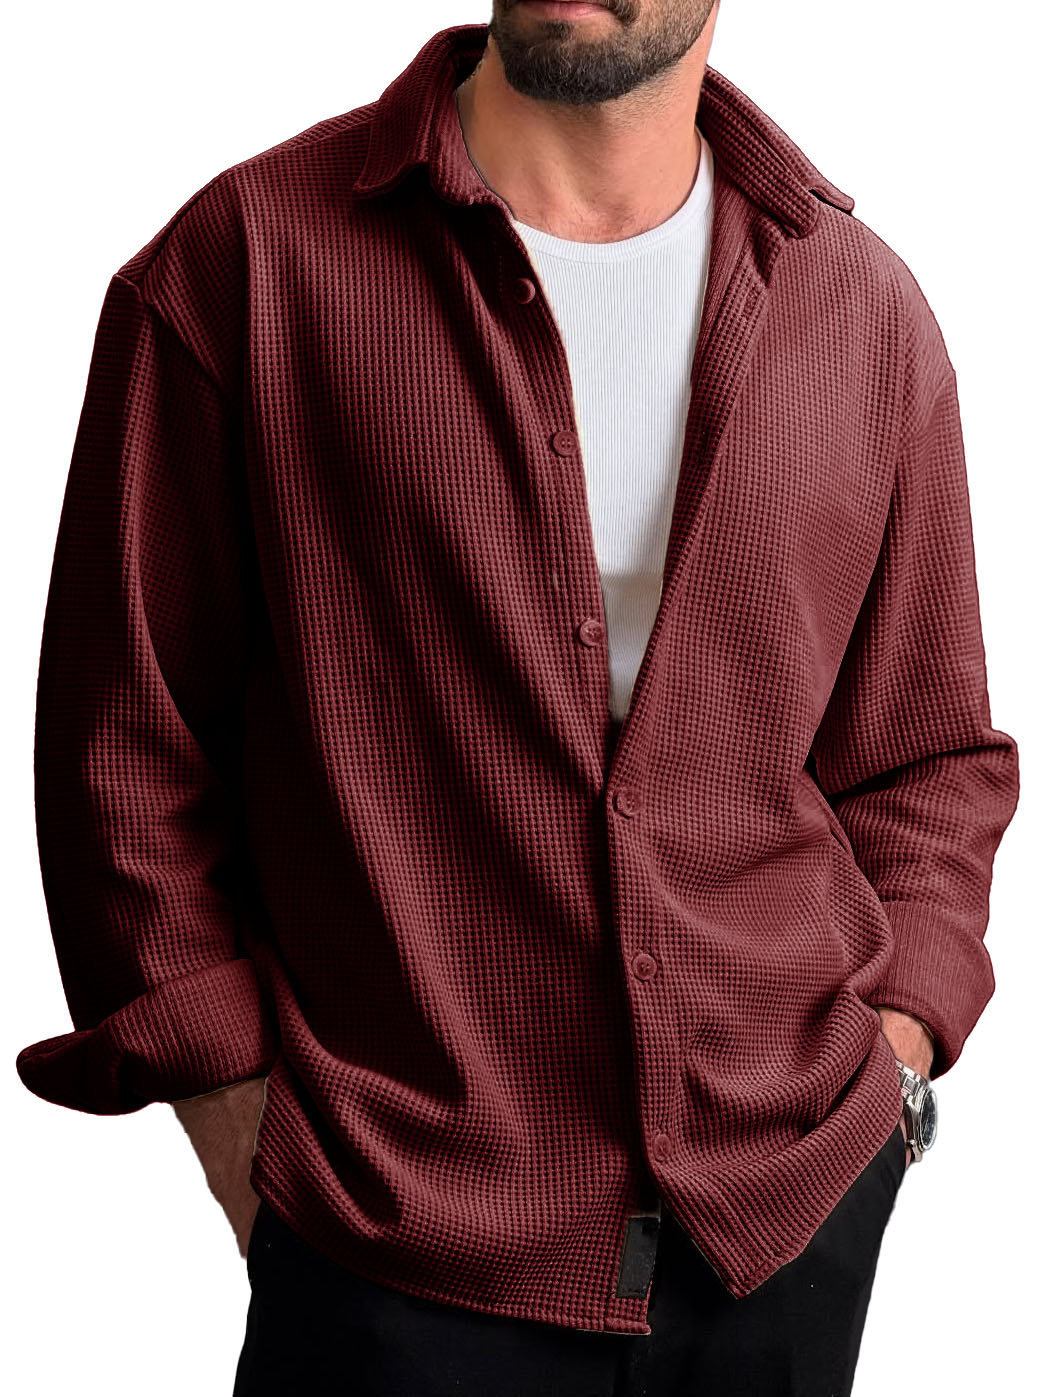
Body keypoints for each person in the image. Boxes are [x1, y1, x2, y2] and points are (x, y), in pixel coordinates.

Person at [16, 5, 1020, 1394]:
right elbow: (123, 738)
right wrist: (245, 1130)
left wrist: (893, 1060)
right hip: (389, 1241)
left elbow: (926, 756)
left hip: (781, 1228)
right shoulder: (247, 265)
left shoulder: (862, 309)